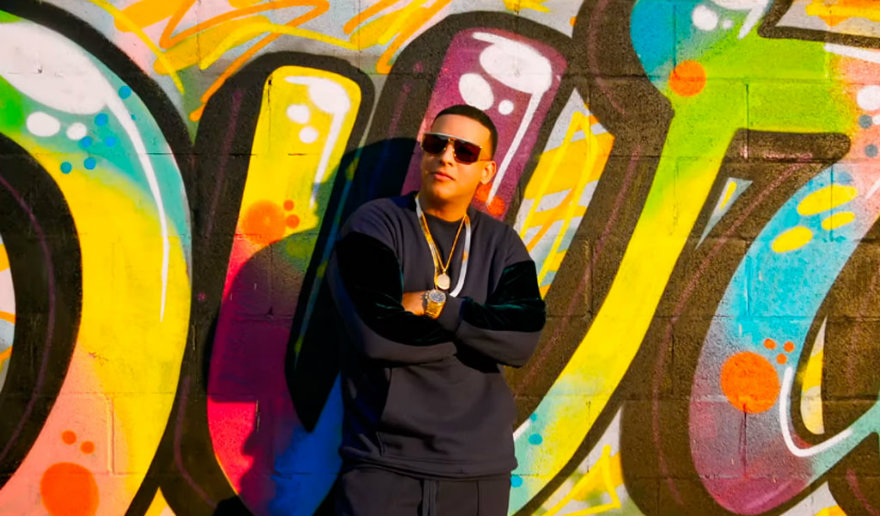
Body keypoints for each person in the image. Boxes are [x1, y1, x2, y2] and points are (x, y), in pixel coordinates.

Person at [327, 104, 546, 516]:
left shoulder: (502, 244)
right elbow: (377, 335)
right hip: (383, 467)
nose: (446, 157)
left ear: (486, 171)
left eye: (465, 151)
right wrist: (479, 332)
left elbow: (520, 341)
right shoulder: (374, 226)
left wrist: (436, 305)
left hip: (479, 474)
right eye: (436, 144)